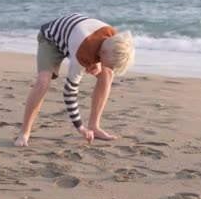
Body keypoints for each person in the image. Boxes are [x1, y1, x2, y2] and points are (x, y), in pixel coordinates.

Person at [14, 13, 135, 147]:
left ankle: (94, 126)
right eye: (111, 63)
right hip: (50, 39)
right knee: (43, 81)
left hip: (75, 37)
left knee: (107, 74)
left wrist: (97, 62)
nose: (111, 66)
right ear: (104, 52)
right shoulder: (81, 53)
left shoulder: (114, 39)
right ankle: (24, 132)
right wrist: (80, 128)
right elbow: (69, 92)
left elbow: (100, 51)